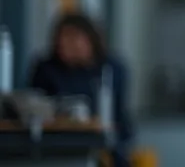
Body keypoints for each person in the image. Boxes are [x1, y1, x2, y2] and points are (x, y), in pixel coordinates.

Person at [28, 11, 135, 167]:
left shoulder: (112, 69)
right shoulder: (46, 69)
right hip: (58, 145)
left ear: (89, 40)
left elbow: (120, 116)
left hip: (108, 144)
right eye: (60, 37)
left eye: (72, 37)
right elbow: (35, 108)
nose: (63, 43)